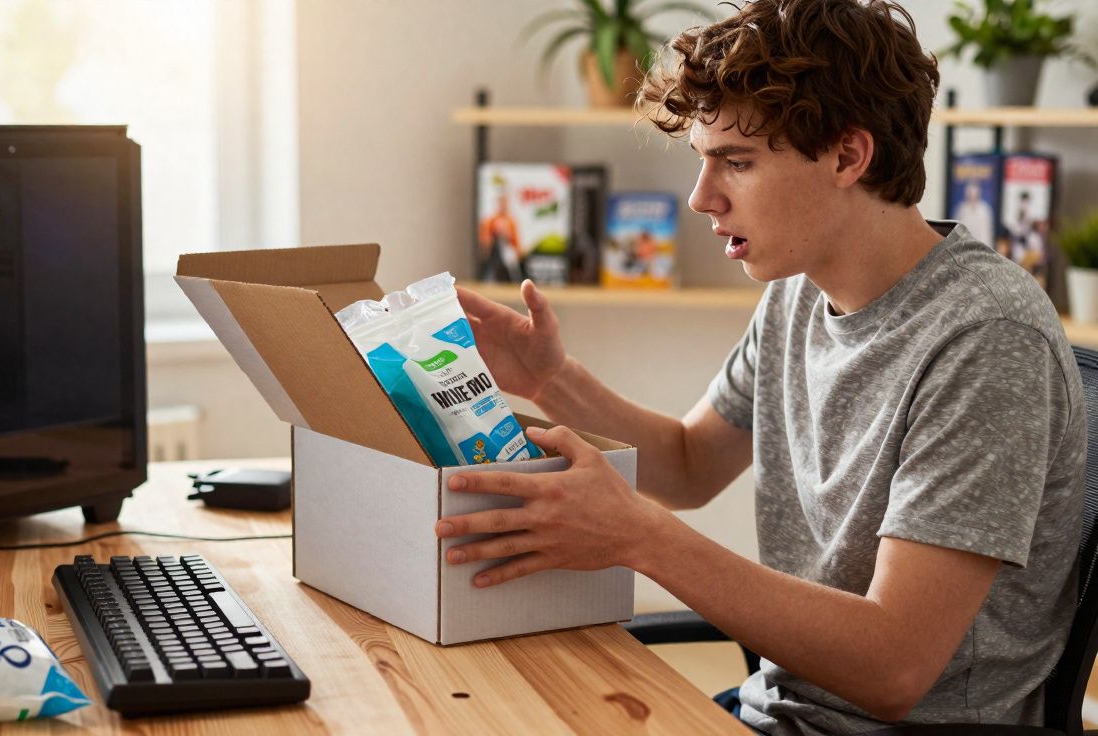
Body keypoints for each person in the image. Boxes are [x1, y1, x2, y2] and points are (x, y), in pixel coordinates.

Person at [434, 1, 1086, 734]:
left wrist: (640, 539)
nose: (700, 198)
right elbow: (687, 465)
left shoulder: (987, 338)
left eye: (736, 163)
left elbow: (895, 668)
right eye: (702, 160)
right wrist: (552, 381)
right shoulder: (797, 293)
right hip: (776, 710)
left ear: (847, 156)